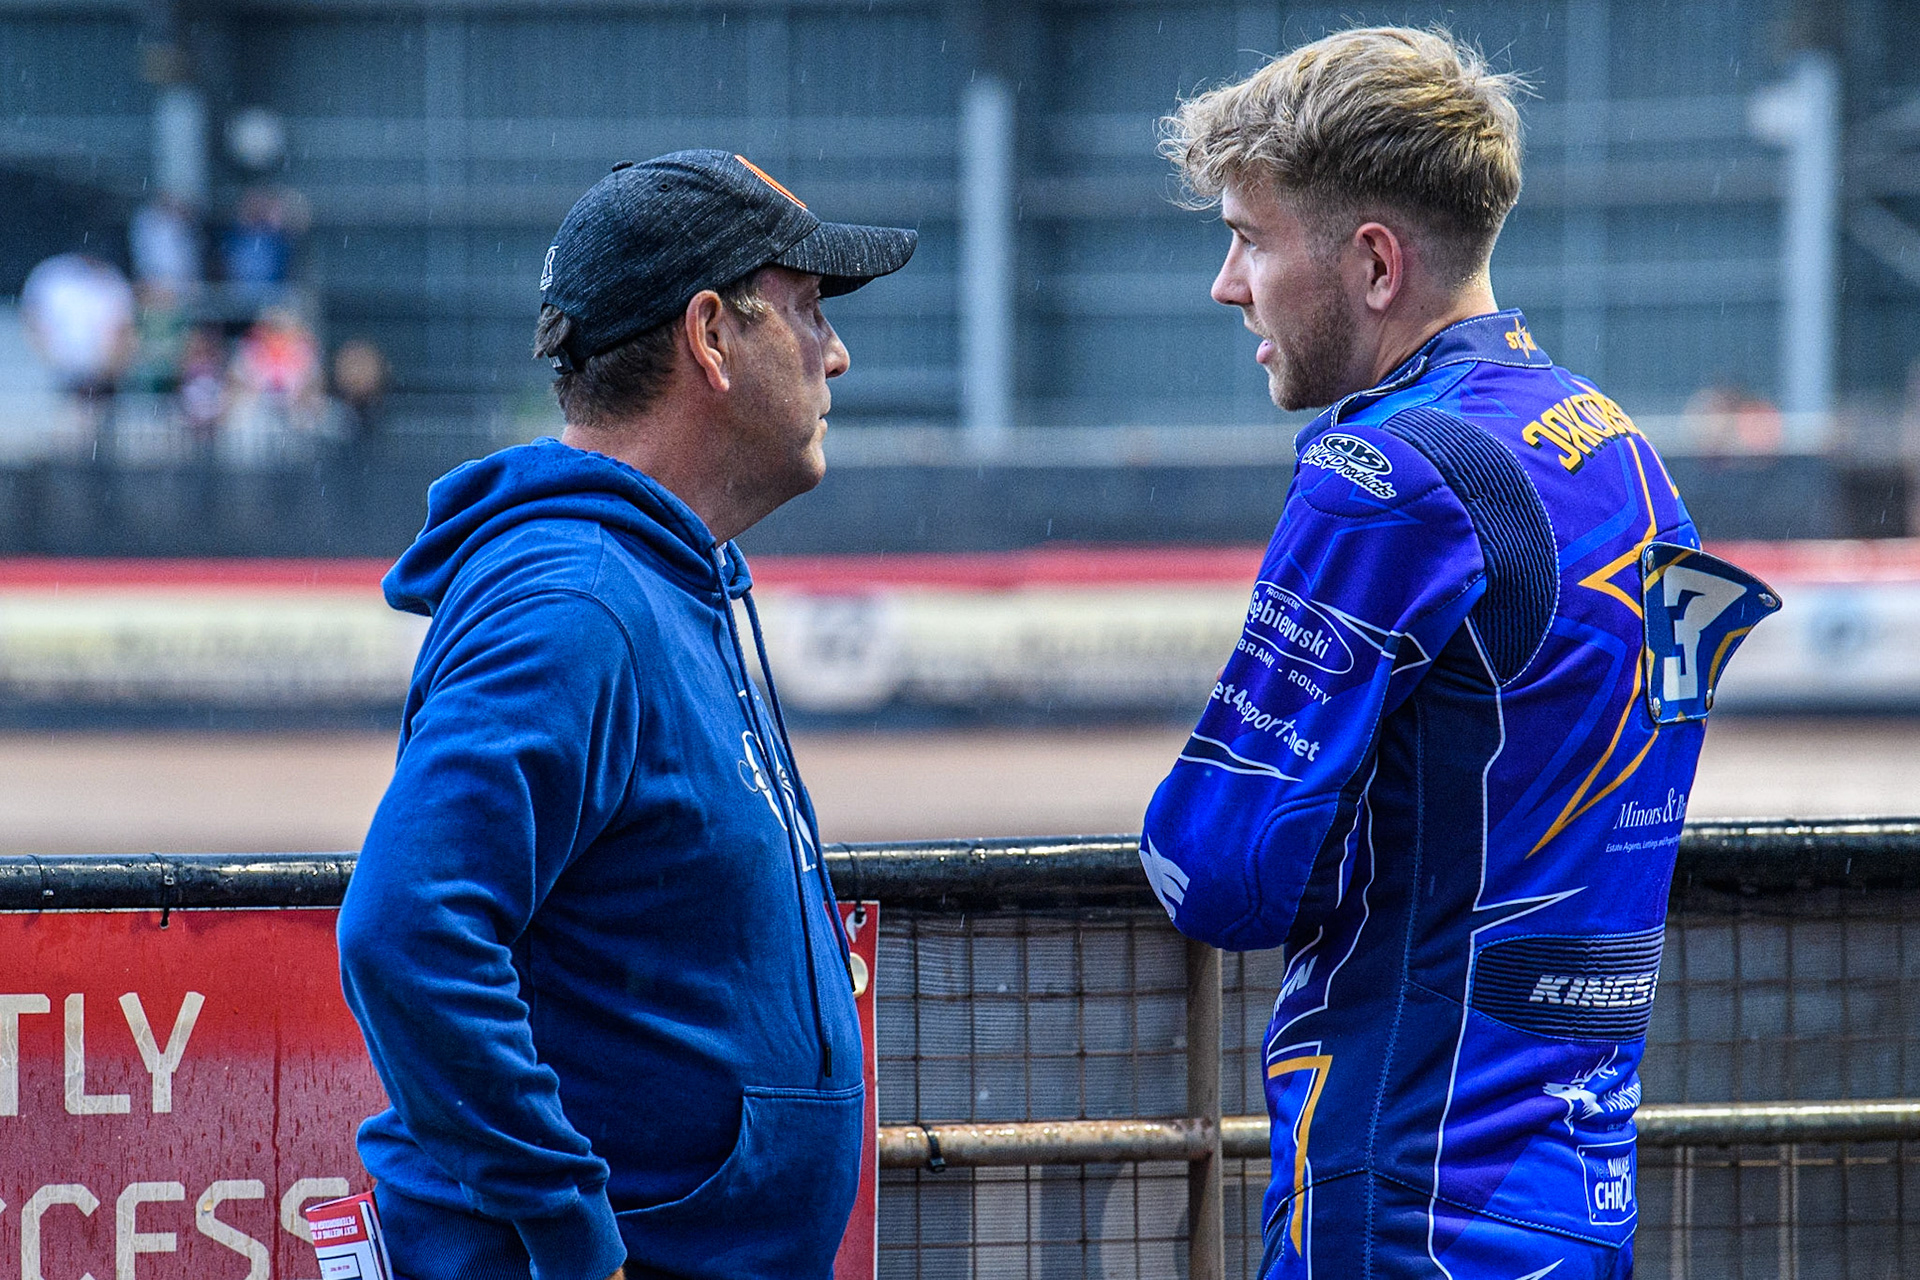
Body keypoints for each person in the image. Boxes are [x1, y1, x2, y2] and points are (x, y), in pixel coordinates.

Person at [1140, 28, 1777, 1280]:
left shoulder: (1386, 471)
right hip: (1582, 1179)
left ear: (1374, 262)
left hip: (1408, 1186)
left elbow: (1217, 864)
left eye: (1251, 238)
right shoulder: (1625, 452)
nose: (1228, 283)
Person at [336, 150, 914, 1280]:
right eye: (806, 310)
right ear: (711, 336)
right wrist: (571, 1233)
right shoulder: (578, 603)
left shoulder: (656, 580)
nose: (835, 353)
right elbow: (405, 931)